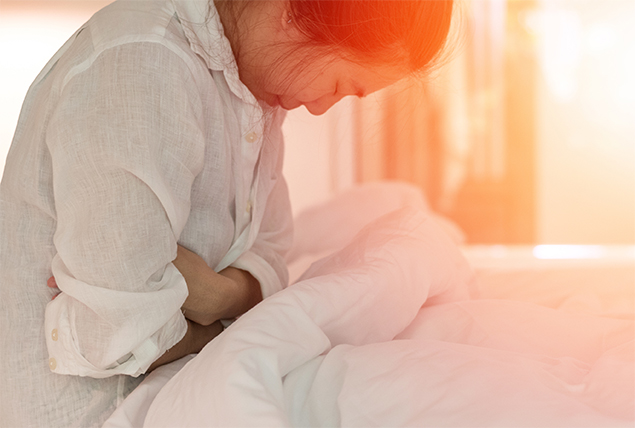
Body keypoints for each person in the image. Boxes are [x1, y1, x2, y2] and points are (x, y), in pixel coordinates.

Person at [0, 0, 454, 426]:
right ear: (290, 15)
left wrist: (217, 296)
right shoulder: (144, 63)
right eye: (337, 87)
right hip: (89, 411)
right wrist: (224, 330)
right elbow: (118, 334)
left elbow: (273, 250)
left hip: (171, 395)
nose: (318, 107)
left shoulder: (253, 93)